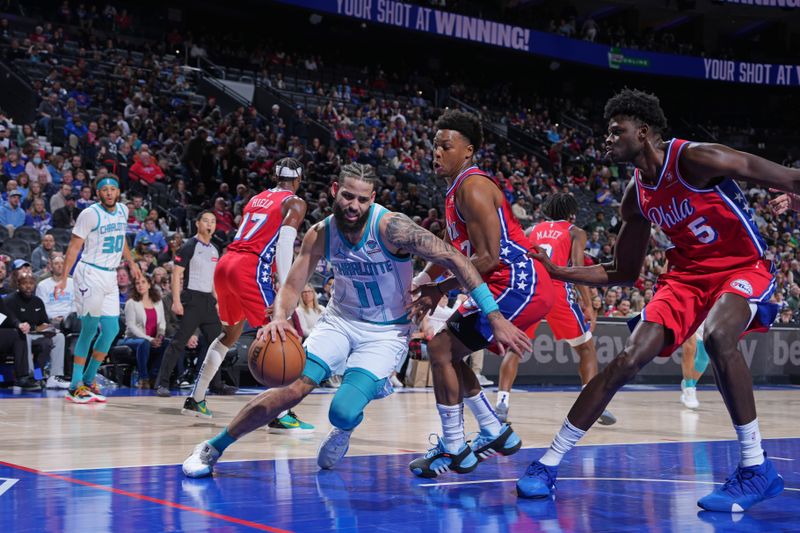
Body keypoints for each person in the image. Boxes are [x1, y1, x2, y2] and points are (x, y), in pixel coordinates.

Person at [518, 89, 789, 513]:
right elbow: (623, 271)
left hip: (742, 266)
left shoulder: (696, 158)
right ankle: (548, 463)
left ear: (642, 132)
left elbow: (788, 176)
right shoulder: (637, 196)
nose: (606, 140)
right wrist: (560, 273)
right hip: (685, 278)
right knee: (627, 359)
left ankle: (756, 467)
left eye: (615, 131)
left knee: (718, 337)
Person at [182, 163, 529, 478]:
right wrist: (279, 315)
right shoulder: (321, 232)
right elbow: (293, 282)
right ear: (335, 190)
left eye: (363, 199)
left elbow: (458, 260)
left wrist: (493, 315)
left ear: (373, 199)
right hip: (339, 321)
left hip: (386, 333)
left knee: (342, 412)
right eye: (348, 196)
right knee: (290, 390)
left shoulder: (393, 228)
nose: (354, 205)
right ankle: (213, 447)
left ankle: (346, 426)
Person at [407, 110, 551, 478]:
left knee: (441, 349)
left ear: (468, 151)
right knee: (446, 353)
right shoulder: (455, 190)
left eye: (445, 146)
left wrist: (439, 290)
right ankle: (493, 432)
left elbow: (487, 257)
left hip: (518, 281)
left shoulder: (472, 187)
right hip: (500, 282)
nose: (436, 152)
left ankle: (455, 447)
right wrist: (424, 279)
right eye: (434, 145)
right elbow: (450, 254)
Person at [180, 158, 312, 431]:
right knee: (282, 335)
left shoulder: (257, 198)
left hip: (227, 263)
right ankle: (280, 412)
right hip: (250, 268)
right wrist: (286, 286)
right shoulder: (295, 202)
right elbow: (285, 241)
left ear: (276, 176)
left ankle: (196, 398)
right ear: (298, 179)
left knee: (229, 334)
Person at [497, 192, 616, 425]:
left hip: (530, 289)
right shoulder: (575, 232)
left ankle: (502, 402)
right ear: (571, 213)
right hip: (557, 291)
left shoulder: (531, 231)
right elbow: (578, 268)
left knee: (515, 347)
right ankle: (591, 404)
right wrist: (588, 305)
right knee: (586, 348)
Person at [57, 175, 142, 403]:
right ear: (98, 193)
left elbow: (121, 237)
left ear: (118, 191)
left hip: (110, 275)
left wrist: (132, 263)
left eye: (113, 189)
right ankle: (75, 385)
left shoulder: (123, 210)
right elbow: (74, 247)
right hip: (90, 273)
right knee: (89, 329)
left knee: (112, 329)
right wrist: (64, 278)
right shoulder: (89, 214)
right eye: (105, 190)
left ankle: (89, 378)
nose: (109, 193)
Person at [154, 211, 230, 398]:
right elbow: (177, 274)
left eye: (213, 221)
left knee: (218, 343)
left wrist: (218, 301)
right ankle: (162, 384)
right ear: (198, 224)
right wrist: (177, 301)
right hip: (192, 300)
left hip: (208, 301)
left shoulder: (214, 249)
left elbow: (213, 278)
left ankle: (217, 384)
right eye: (205, 220)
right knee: (179, 342)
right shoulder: (189, 246)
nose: (209, 224)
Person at [6, 271, 65, 391]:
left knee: (60, 337)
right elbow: (7, 323)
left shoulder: (38, 301)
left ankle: (54, 376)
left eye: (31, 283)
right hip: (19, 336)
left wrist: (49, 328)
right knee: (24, 336)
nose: (28, 286)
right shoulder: (9, 300)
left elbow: (43, 323)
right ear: (18, 284)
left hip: (37, 334)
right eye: (24, 283)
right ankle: (29, 375)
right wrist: (30, 328)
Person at [119, 274, 168, 388]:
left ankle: (154, 376)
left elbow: (163, 322)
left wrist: (160, 336)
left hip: (152, 338)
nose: (140, 285)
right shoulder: (131, 303)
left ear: (149, 285)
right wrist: (150, 339)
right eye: (137, 283)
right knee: (143, 343)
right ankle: (143, 378)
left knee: (168, 344)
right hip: (132, 339)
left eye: (143, 282)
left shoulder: (158, 301)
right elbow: (131, 326)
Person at [680, 321, 709, 409]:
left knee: (704, 358)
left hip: (707, 312)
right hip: (689, 311)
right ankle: (689, 388)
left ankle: (689, 384)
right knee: (689, 347)